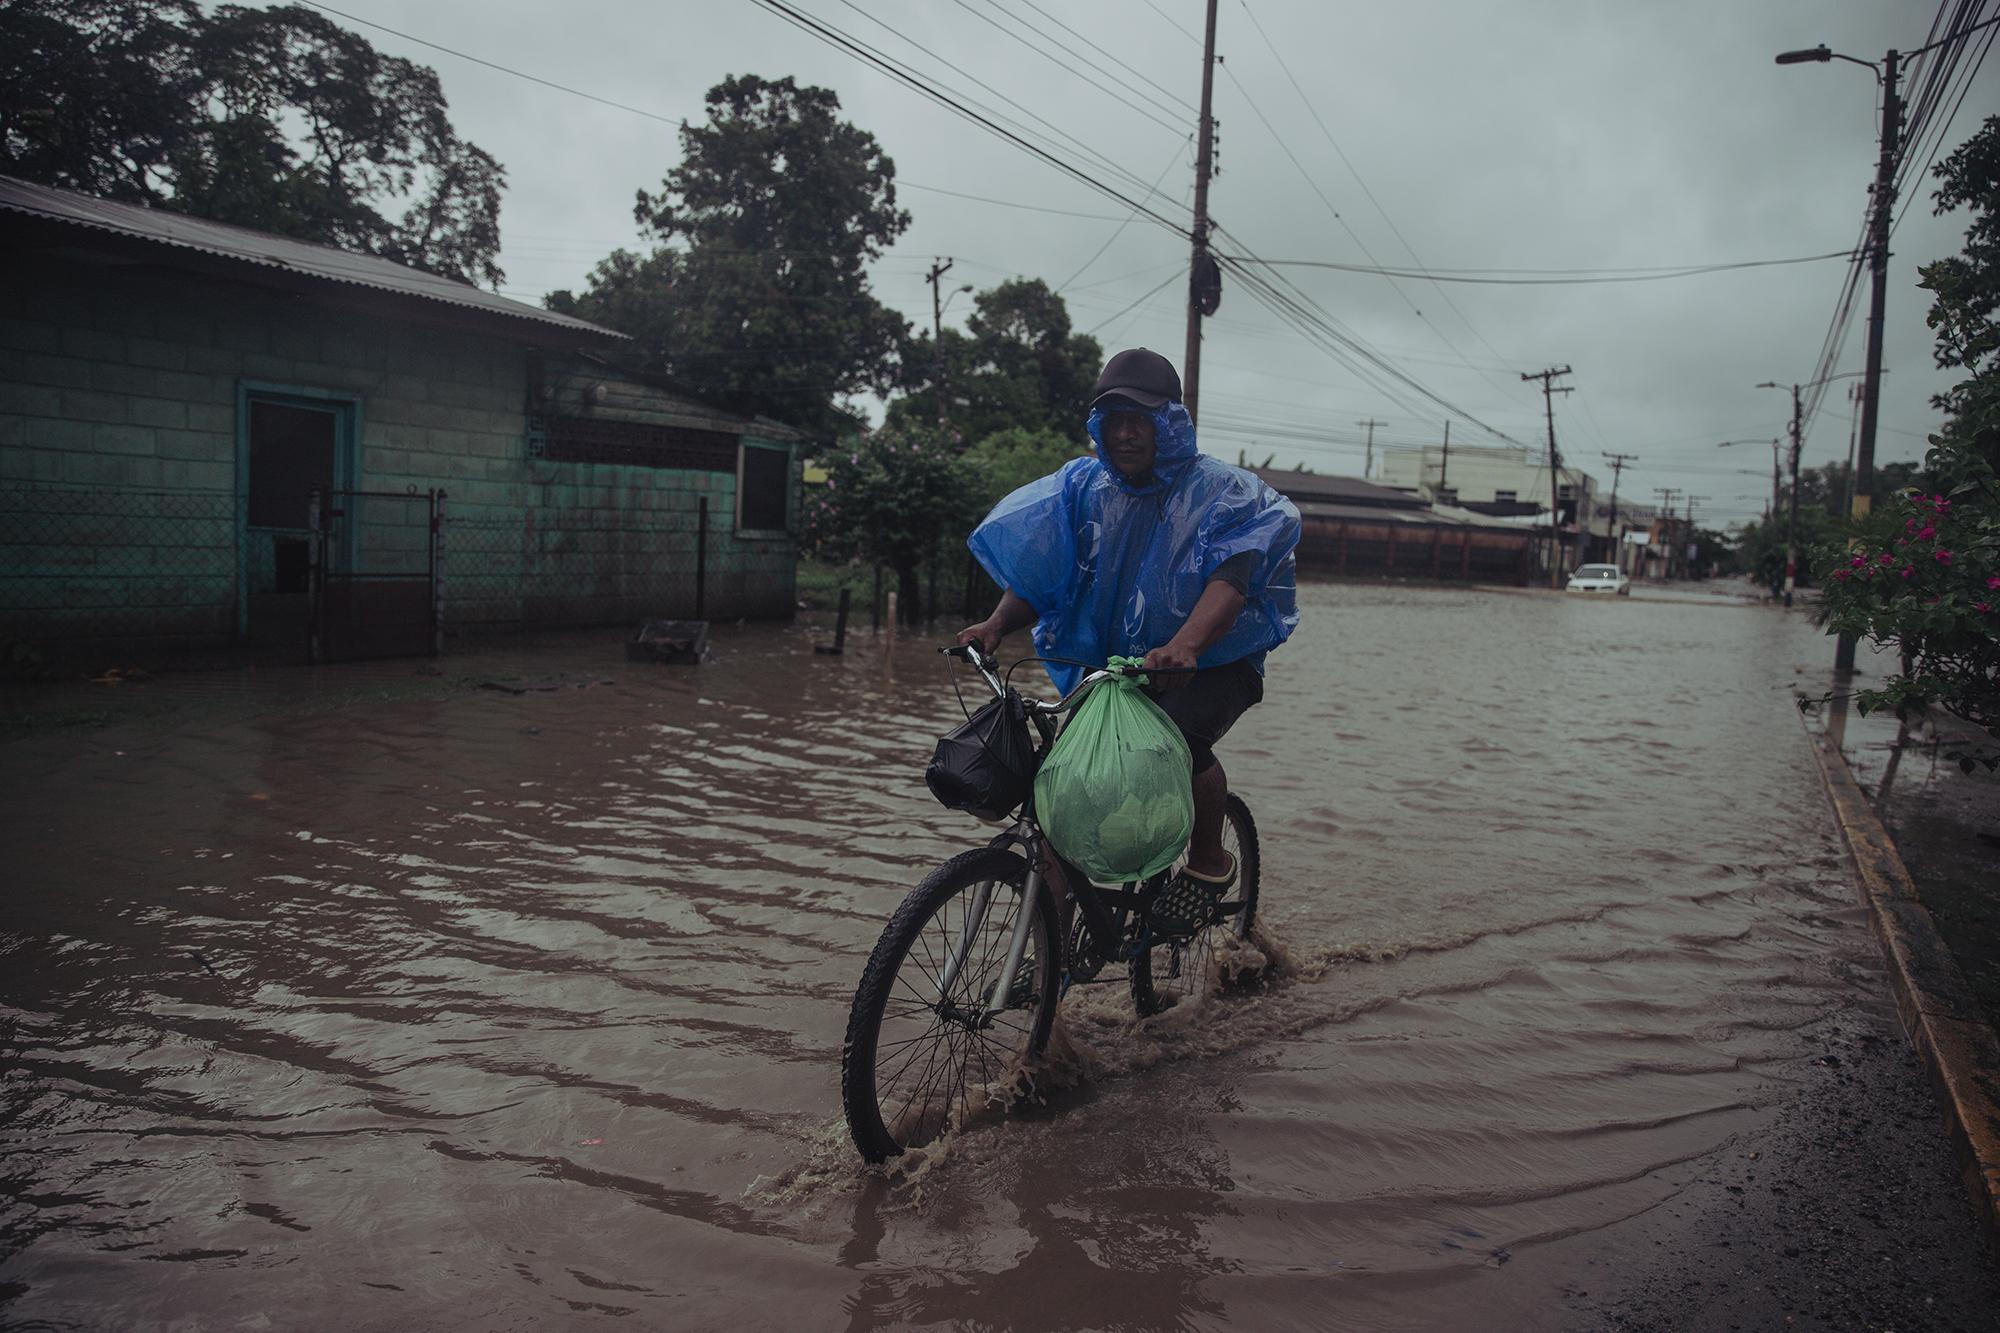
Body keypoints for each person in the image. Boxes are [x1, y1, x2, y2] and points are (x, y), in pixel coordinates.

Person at [955, 346, 1300, 899]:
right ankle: (1054, 954)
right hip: (1115, 669)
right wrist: (995, 625)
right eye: (1114, 420)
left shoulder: (1223, 492)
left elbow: (1231, 583)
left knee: (1176, 741)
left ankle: (1209, 860)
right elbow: (1045, 573)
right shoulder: (1081, 488)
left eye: (1141, 419)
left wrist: (1186, 645)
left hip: (1212, 662)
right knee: (1067, 776)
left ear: (1170, 423)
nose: (1126, 434)